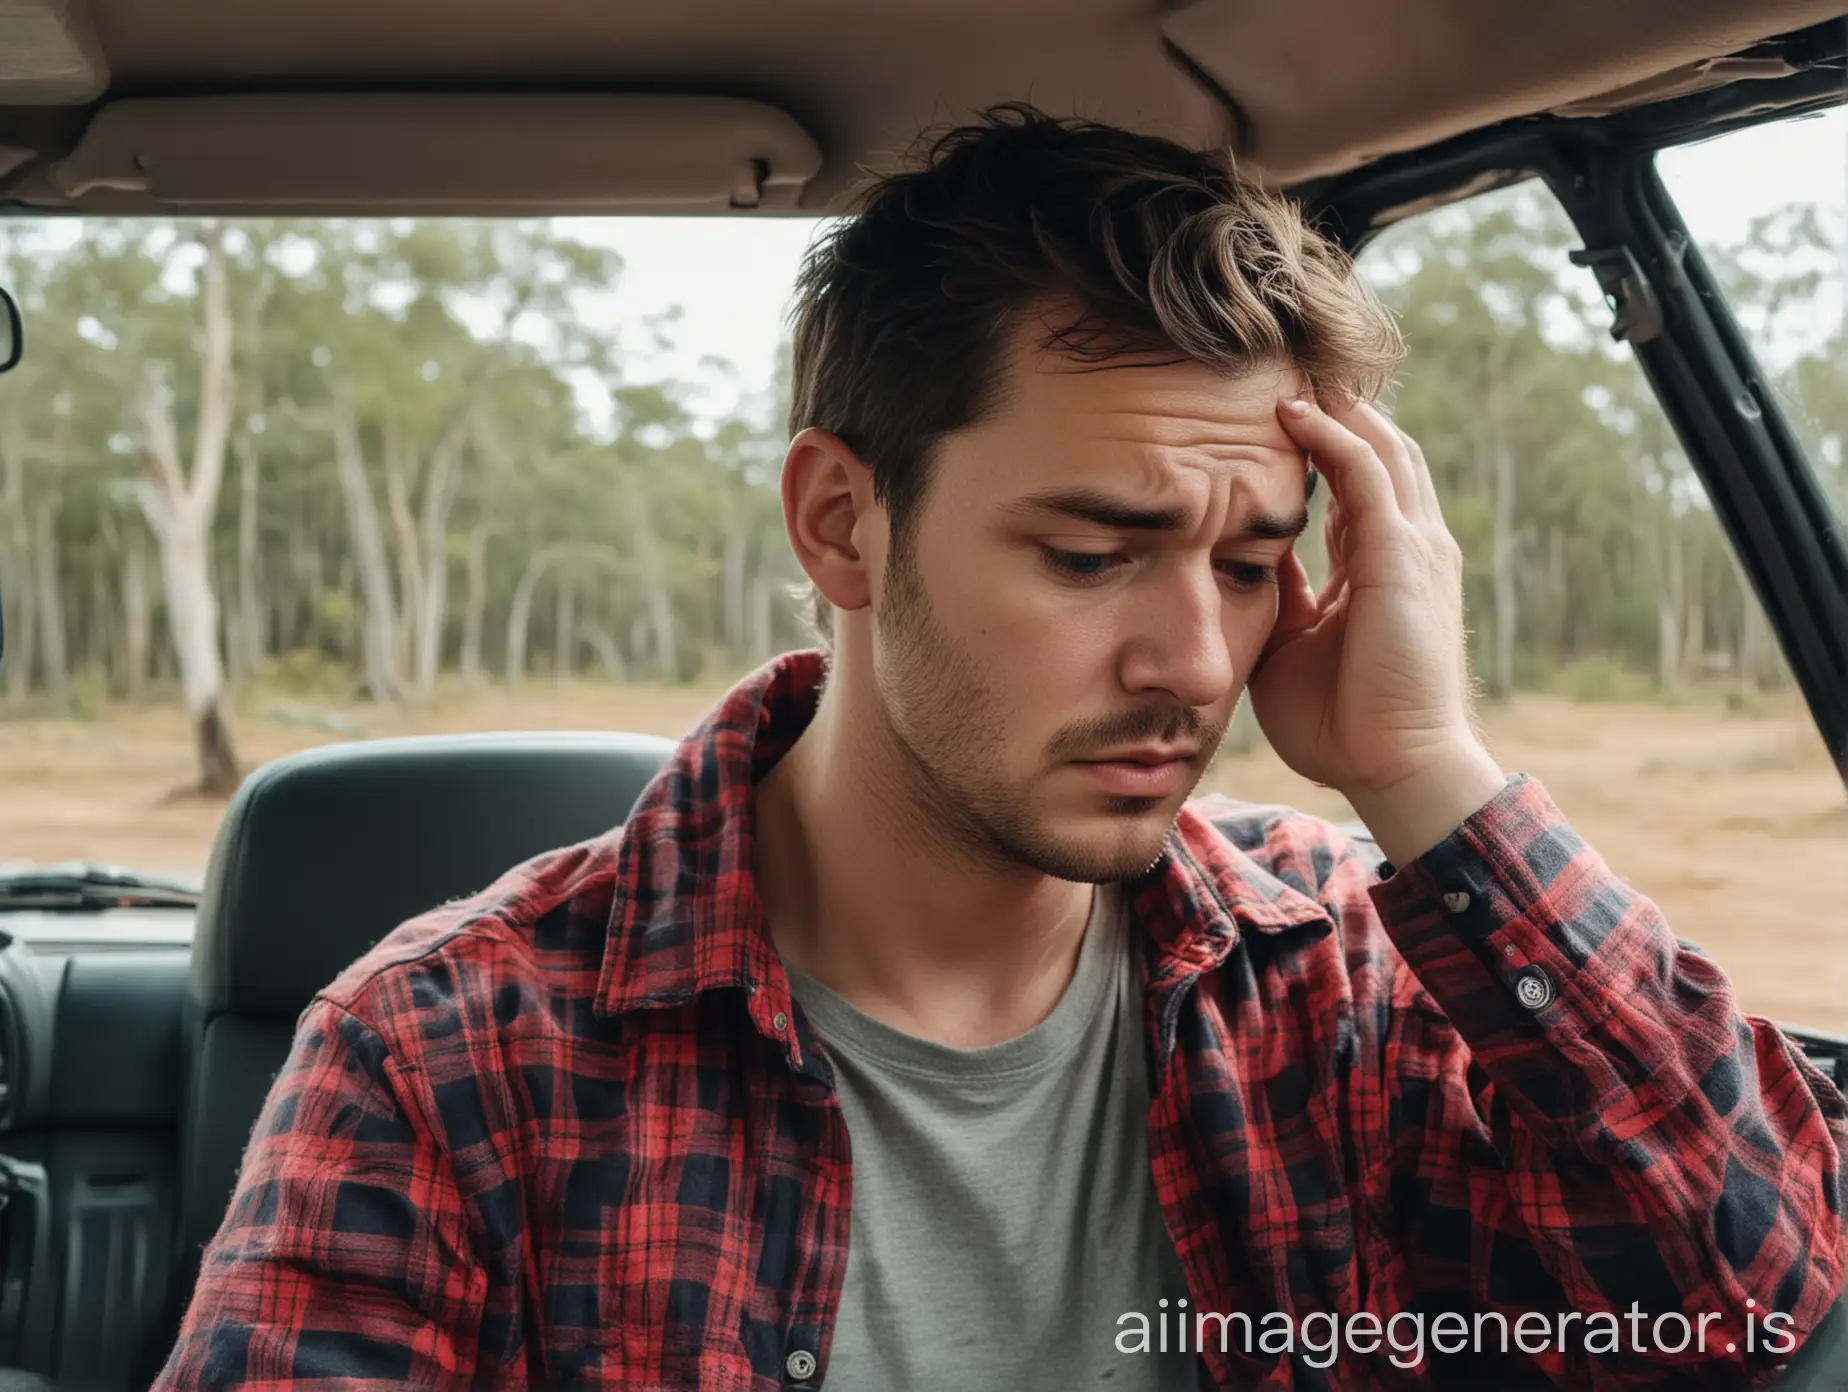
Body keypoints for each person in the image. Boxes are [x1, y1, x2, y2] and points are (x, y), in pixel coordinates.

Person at [154, 105, 1846, 1390]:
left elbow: (1751, 1300)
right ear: (844, 525)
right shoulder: (449, 1060)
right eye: (1089, 553)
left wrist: (1423, 768)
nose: (1196, 659)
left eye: (1251, 562)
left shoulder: (1335, 972)